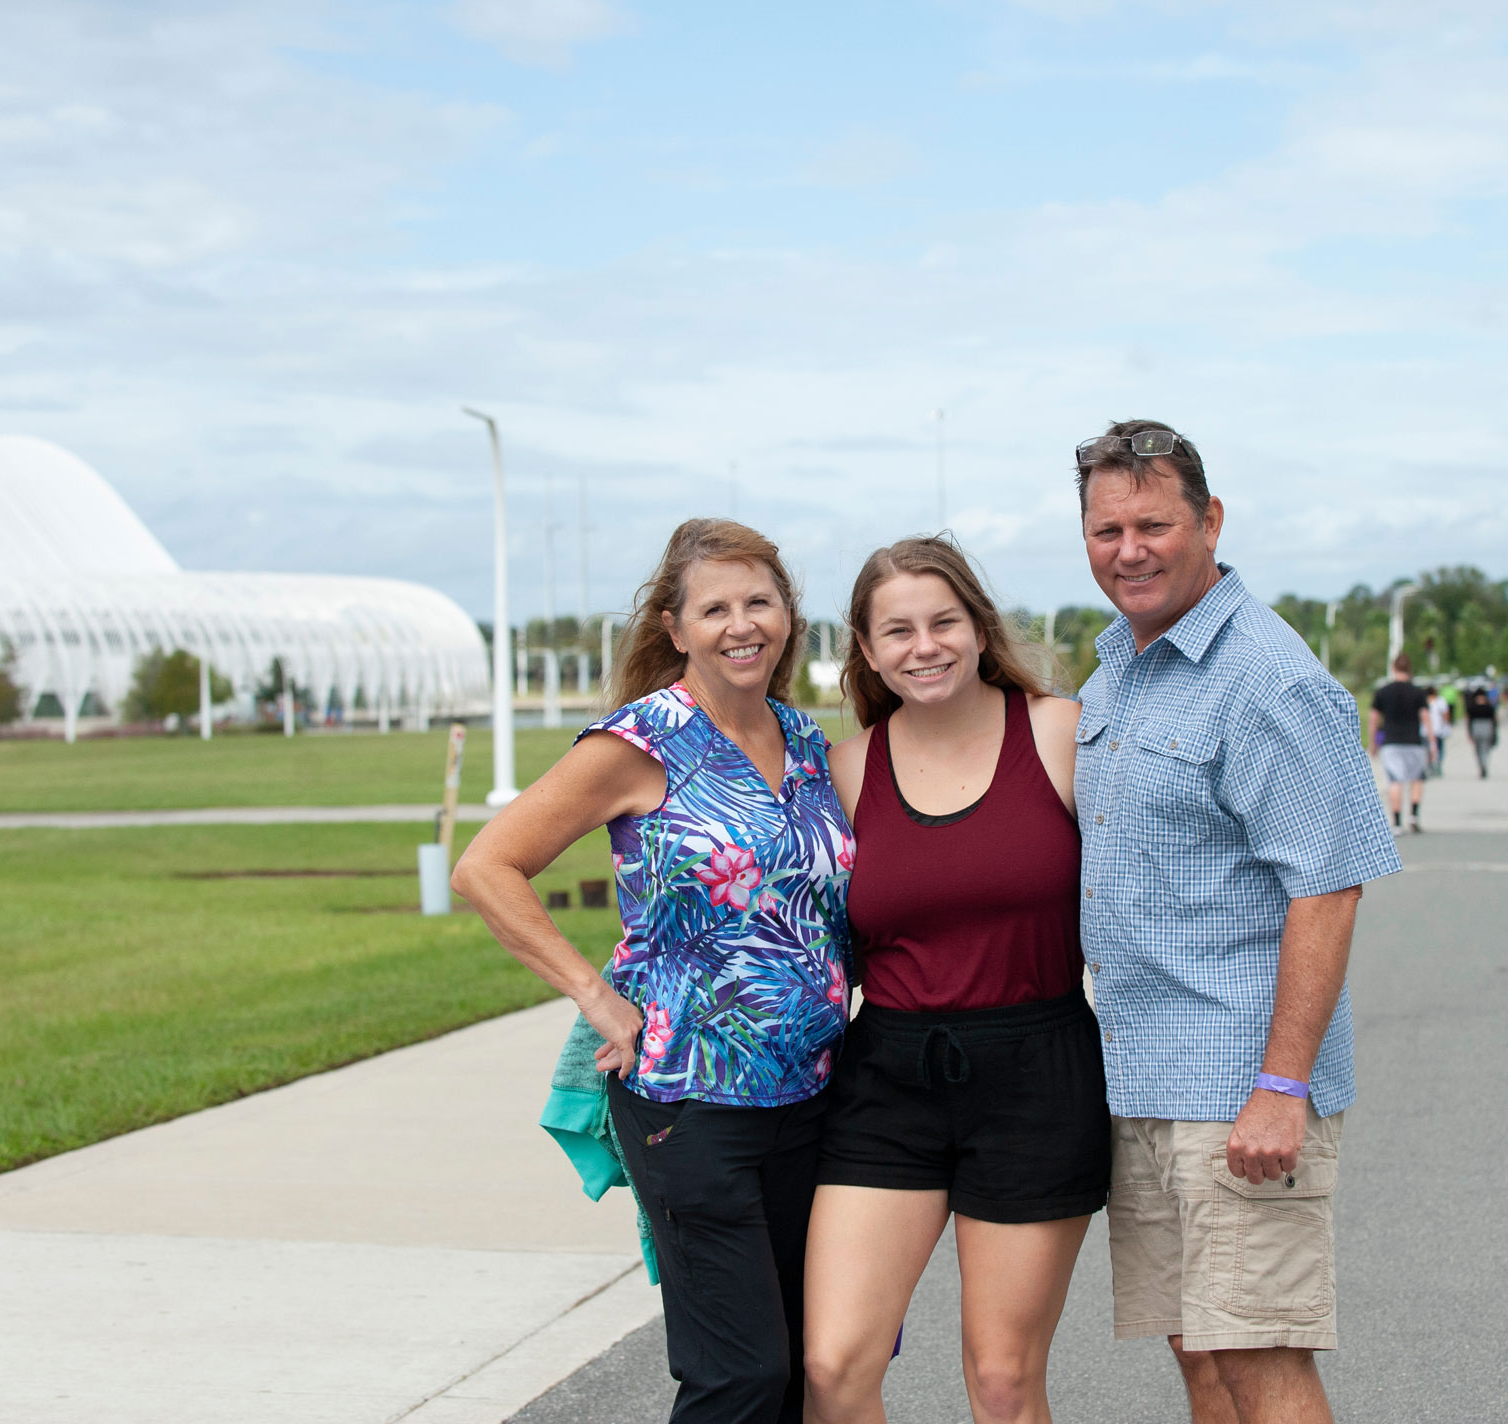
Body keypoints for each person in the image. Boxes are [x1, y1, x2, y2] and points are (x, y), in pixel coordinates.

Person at [453, 519, 852, 1424]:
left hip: (811, 1095)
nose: (740, 624)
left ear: (787, 615)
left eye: (759, 601)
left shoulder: (806, 740)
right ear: (675, 628)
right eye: (714, 608)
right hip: (687, 1096)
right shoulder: (642, 741)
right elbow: (487, 866)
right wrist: (595, 996)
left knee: (797, 1367)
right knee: (738, 1374)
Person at [1069, 420, 1401, 1424]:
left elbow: (1329, 886)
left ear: (1208, 520)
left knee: (1259, 1355)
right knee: (1200, 1353)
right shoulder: (1120, 666)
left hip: (1237, 1083)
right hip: (1146, 1073)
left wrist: (1280, 1084)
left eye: (1153, 523)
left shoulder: (1268, 677)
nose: (1129, 548)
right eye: (1106, 527)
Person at [804, 537, 1101, 1424]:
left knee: (1002, 1380)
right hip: (886, 1079)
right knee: (831, 1366)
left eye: (943, 622)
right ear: (865, 648)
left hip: (1037, 1077)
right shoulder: (847, 770)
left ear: (979, 627)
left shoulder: (1061, 732)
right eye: (896, 630)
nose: (922, 646)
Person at [1368, 653, 1431, 834]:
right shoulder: (1418, 692)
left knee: (1395, 781)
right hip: (1413, 741)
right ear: (1409, 669)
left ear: (1393, 668)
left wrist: (1373, 742)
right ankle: (1414, 815)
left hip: (1391, 742)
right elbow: (1425, 718)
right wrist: (1432, 742)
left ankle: (1396, 822)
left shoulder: (1383, 691)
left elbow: (1373, 719)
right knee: (1417, 778)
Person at [1463, 682, 1498, 778]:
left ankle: (1482, 764)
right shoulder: (1488, 706)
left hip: (1479, 727)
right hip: (1484, 727)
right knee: (1483, 748)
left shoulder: (1472, 707)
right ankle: (1483, 764)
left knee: (1481, 748)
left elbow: (1468, 720)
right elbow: (1494, 720)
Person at [1426, 685, 1452, 776]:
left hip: (1427, 730)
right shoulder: (1440, 701)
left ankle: (1431, 765)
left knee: (1429, 749)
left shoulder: (1425, 701)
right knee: (1439, 748)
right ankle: (1437, 764)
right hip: (1437, 729)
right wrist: (1446, 724)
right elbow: (1445, 714)